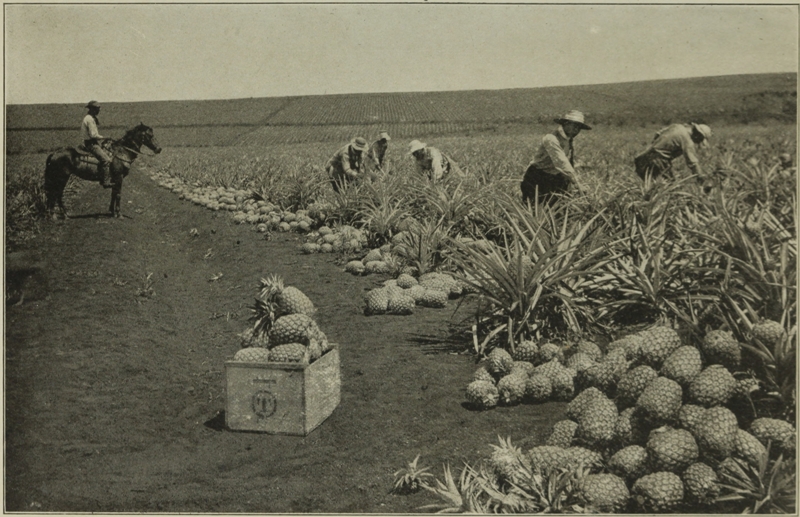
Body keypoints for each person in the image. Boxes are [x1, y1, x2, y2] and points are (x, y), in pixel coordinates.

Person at [520, 110, 591, 206]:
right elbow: (561, 162)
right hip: (537, 177)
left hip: (555, 178)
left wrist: (570, 183)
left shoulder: (568, 139)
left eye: (579, 127)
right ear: (565, 123)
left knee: (557, 210)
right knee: (534, 208)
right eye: (574, 125)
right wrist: (578, 183)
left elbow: (568, 162)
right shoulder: (551, 139)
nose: (576, 129)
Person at [634, 123, 711, 181]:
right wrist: (700, 177)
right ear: (698, 135)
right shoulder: (687, 140)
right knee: (670, 185)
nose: (698, 142)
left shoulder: (677, 126)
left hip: (647, 155)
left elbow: (658, 134)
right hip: (660, 160)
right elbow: (693, 163)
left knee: (649, 183)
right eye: (700, 140)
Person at [82, 100, 113, 188]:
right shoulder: (89, 119)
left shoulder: (90, 118)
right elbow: (93, 135)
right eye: (97, 109)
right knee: (106, 160)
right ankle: (105, 182)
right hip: (91, 144)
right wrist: (104, 137)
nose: (99, 110)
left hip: (91, 142)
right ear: (92, 109)